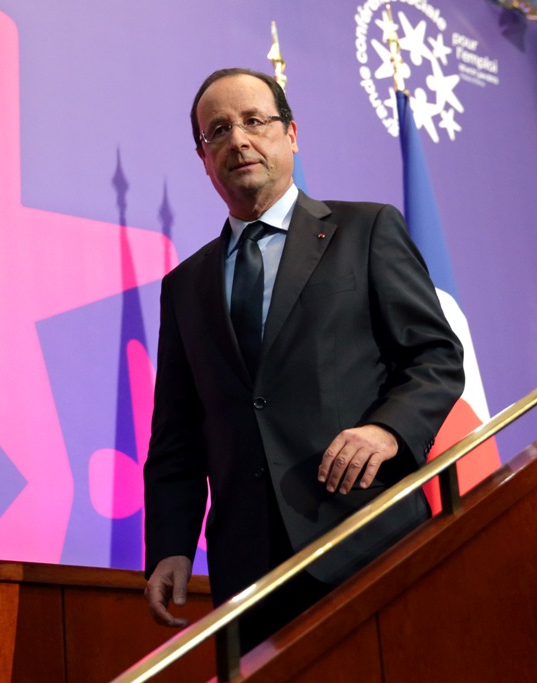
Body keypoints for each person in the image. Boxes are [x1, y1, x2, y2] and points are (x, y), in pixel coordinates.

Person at [143, 68, 464, 650]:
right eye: (217, 131)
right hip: (251, 575)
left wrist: (388, 430)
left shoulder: (365, 230)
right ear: (203, 157)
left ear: (291, 134)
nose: (237, 139)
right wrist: (170, 544)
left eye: (254, 121)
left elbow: (435, 356)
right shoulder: (184, 286)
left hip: (367, 534)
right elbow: (177, 435)